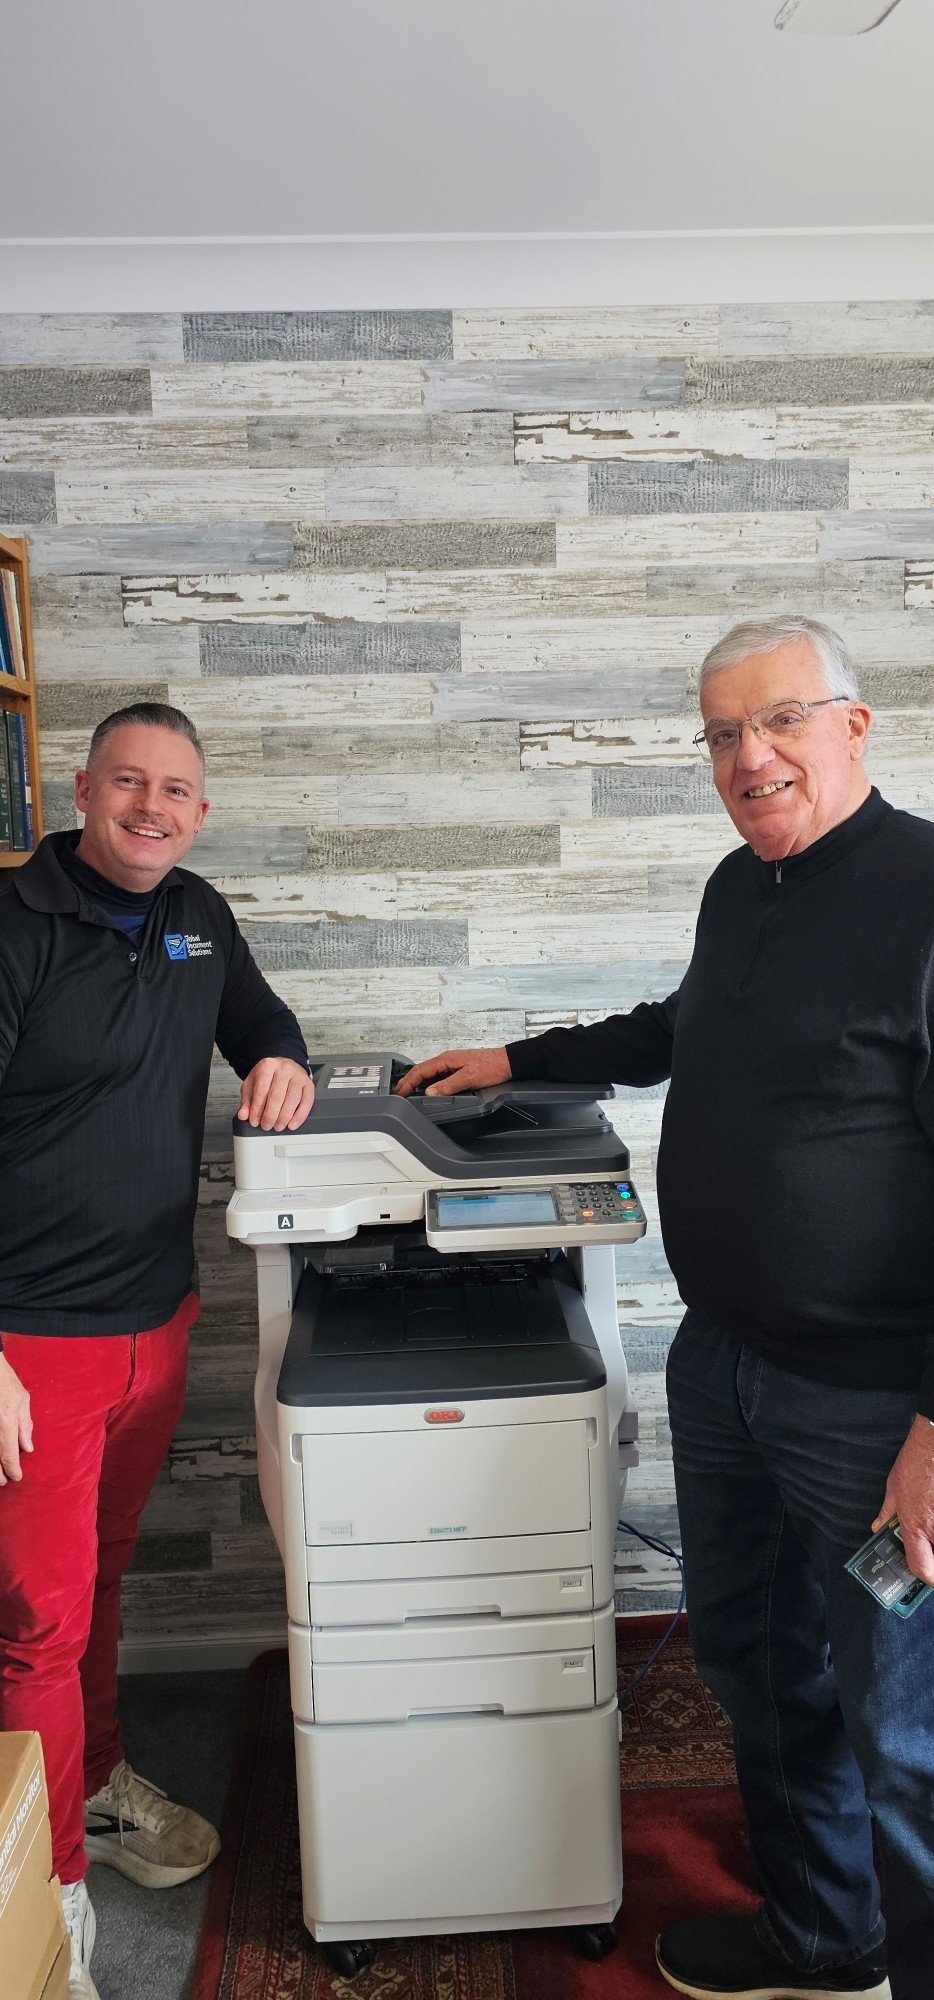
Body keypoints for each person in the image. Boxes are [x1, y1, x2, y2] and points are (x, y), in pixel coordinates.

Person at [395, 615, 934, 2000]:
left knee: (907, 1730)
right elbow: (679, 1028)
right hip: (726, 1362)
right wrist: (517, 1058)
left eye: (780, 720)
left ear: (854, 725)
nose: (750, 757)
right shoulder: (741, 886)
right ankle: (825, 1937)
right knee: (754, 1665)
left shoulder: (924, 892)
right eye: (721, 733)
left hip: (875, 1402)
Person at [0, 702, 315, 2000]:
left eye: (175, 790)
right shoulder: (14, 925)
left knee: (103, 1582)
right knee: (36, 1624)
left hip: (155, 1317)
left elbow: (265, 1023)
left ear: (199, 811)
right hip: (30, 1342)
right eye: (128, 782)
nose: (151, 806)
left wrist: (283, 1062)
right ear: (80, 790)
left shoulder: (199, 917)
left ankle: (94, 1785)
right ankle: (48, 1895)